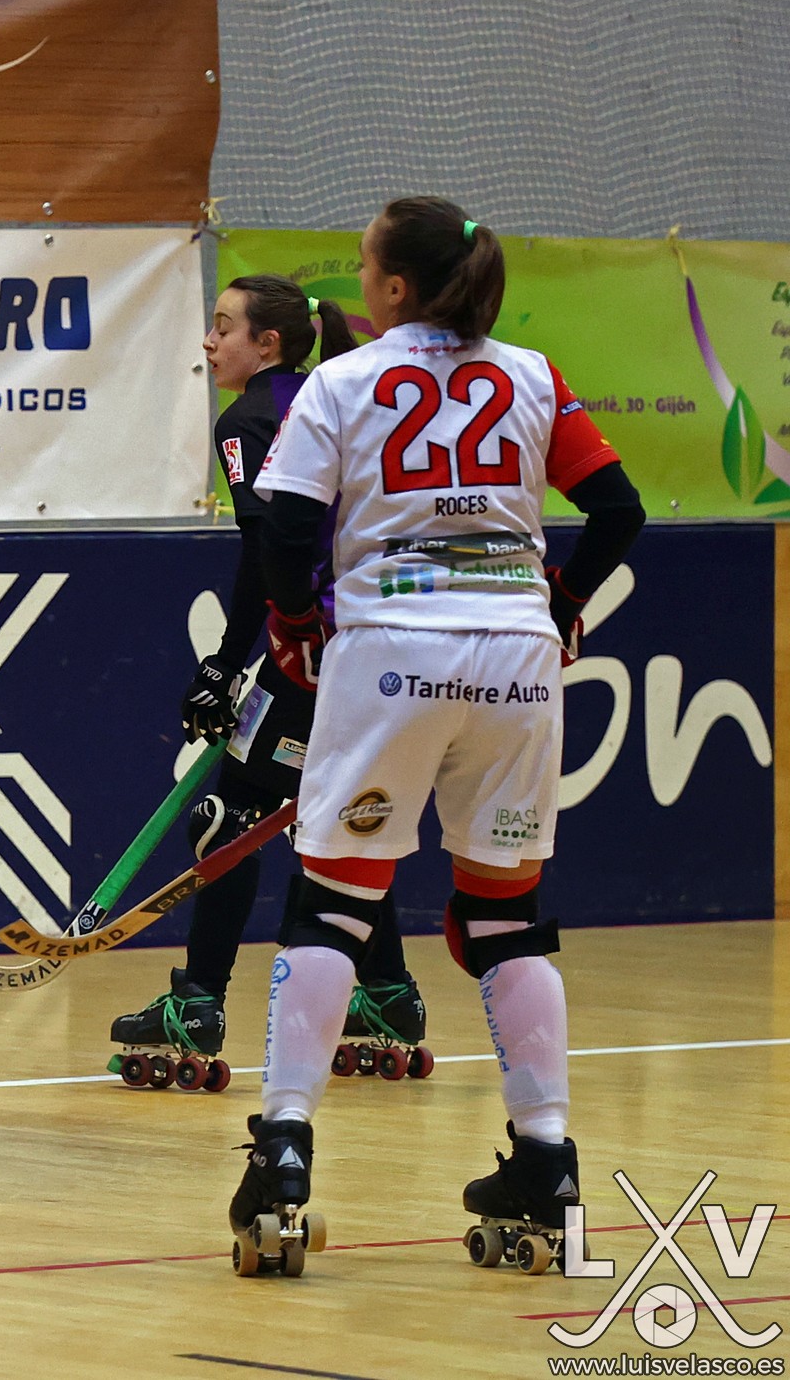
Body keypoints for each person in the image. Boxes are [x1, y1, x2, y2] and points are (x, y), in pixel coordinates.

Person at [225, 197, 644, 1277]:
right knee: (504, 915)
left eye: (367, 263)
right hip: (514, 656)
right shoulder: (533, 375)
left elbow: (281, 527)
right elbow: (619, 511)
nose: (360, 279)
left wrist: (293, 623)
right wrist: (558, 604)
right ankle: (547, 1160)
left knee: (333, 901)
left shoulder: (342, 380)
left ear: (396, 286)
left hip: (391, 649)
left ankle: (281, 1151)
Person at [113, 277, 425, 1084]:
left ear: (269, 344)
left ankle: (197, 1005)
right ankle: (388, 993)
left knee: (231, 816)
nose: (208, 342)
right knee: (338, 819)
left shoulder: (250, 418)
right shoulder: (339, 399)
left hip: (316, 651)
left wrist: (226, 661)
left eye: (223, 327)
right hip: (386, 642)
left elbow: (267, 549)